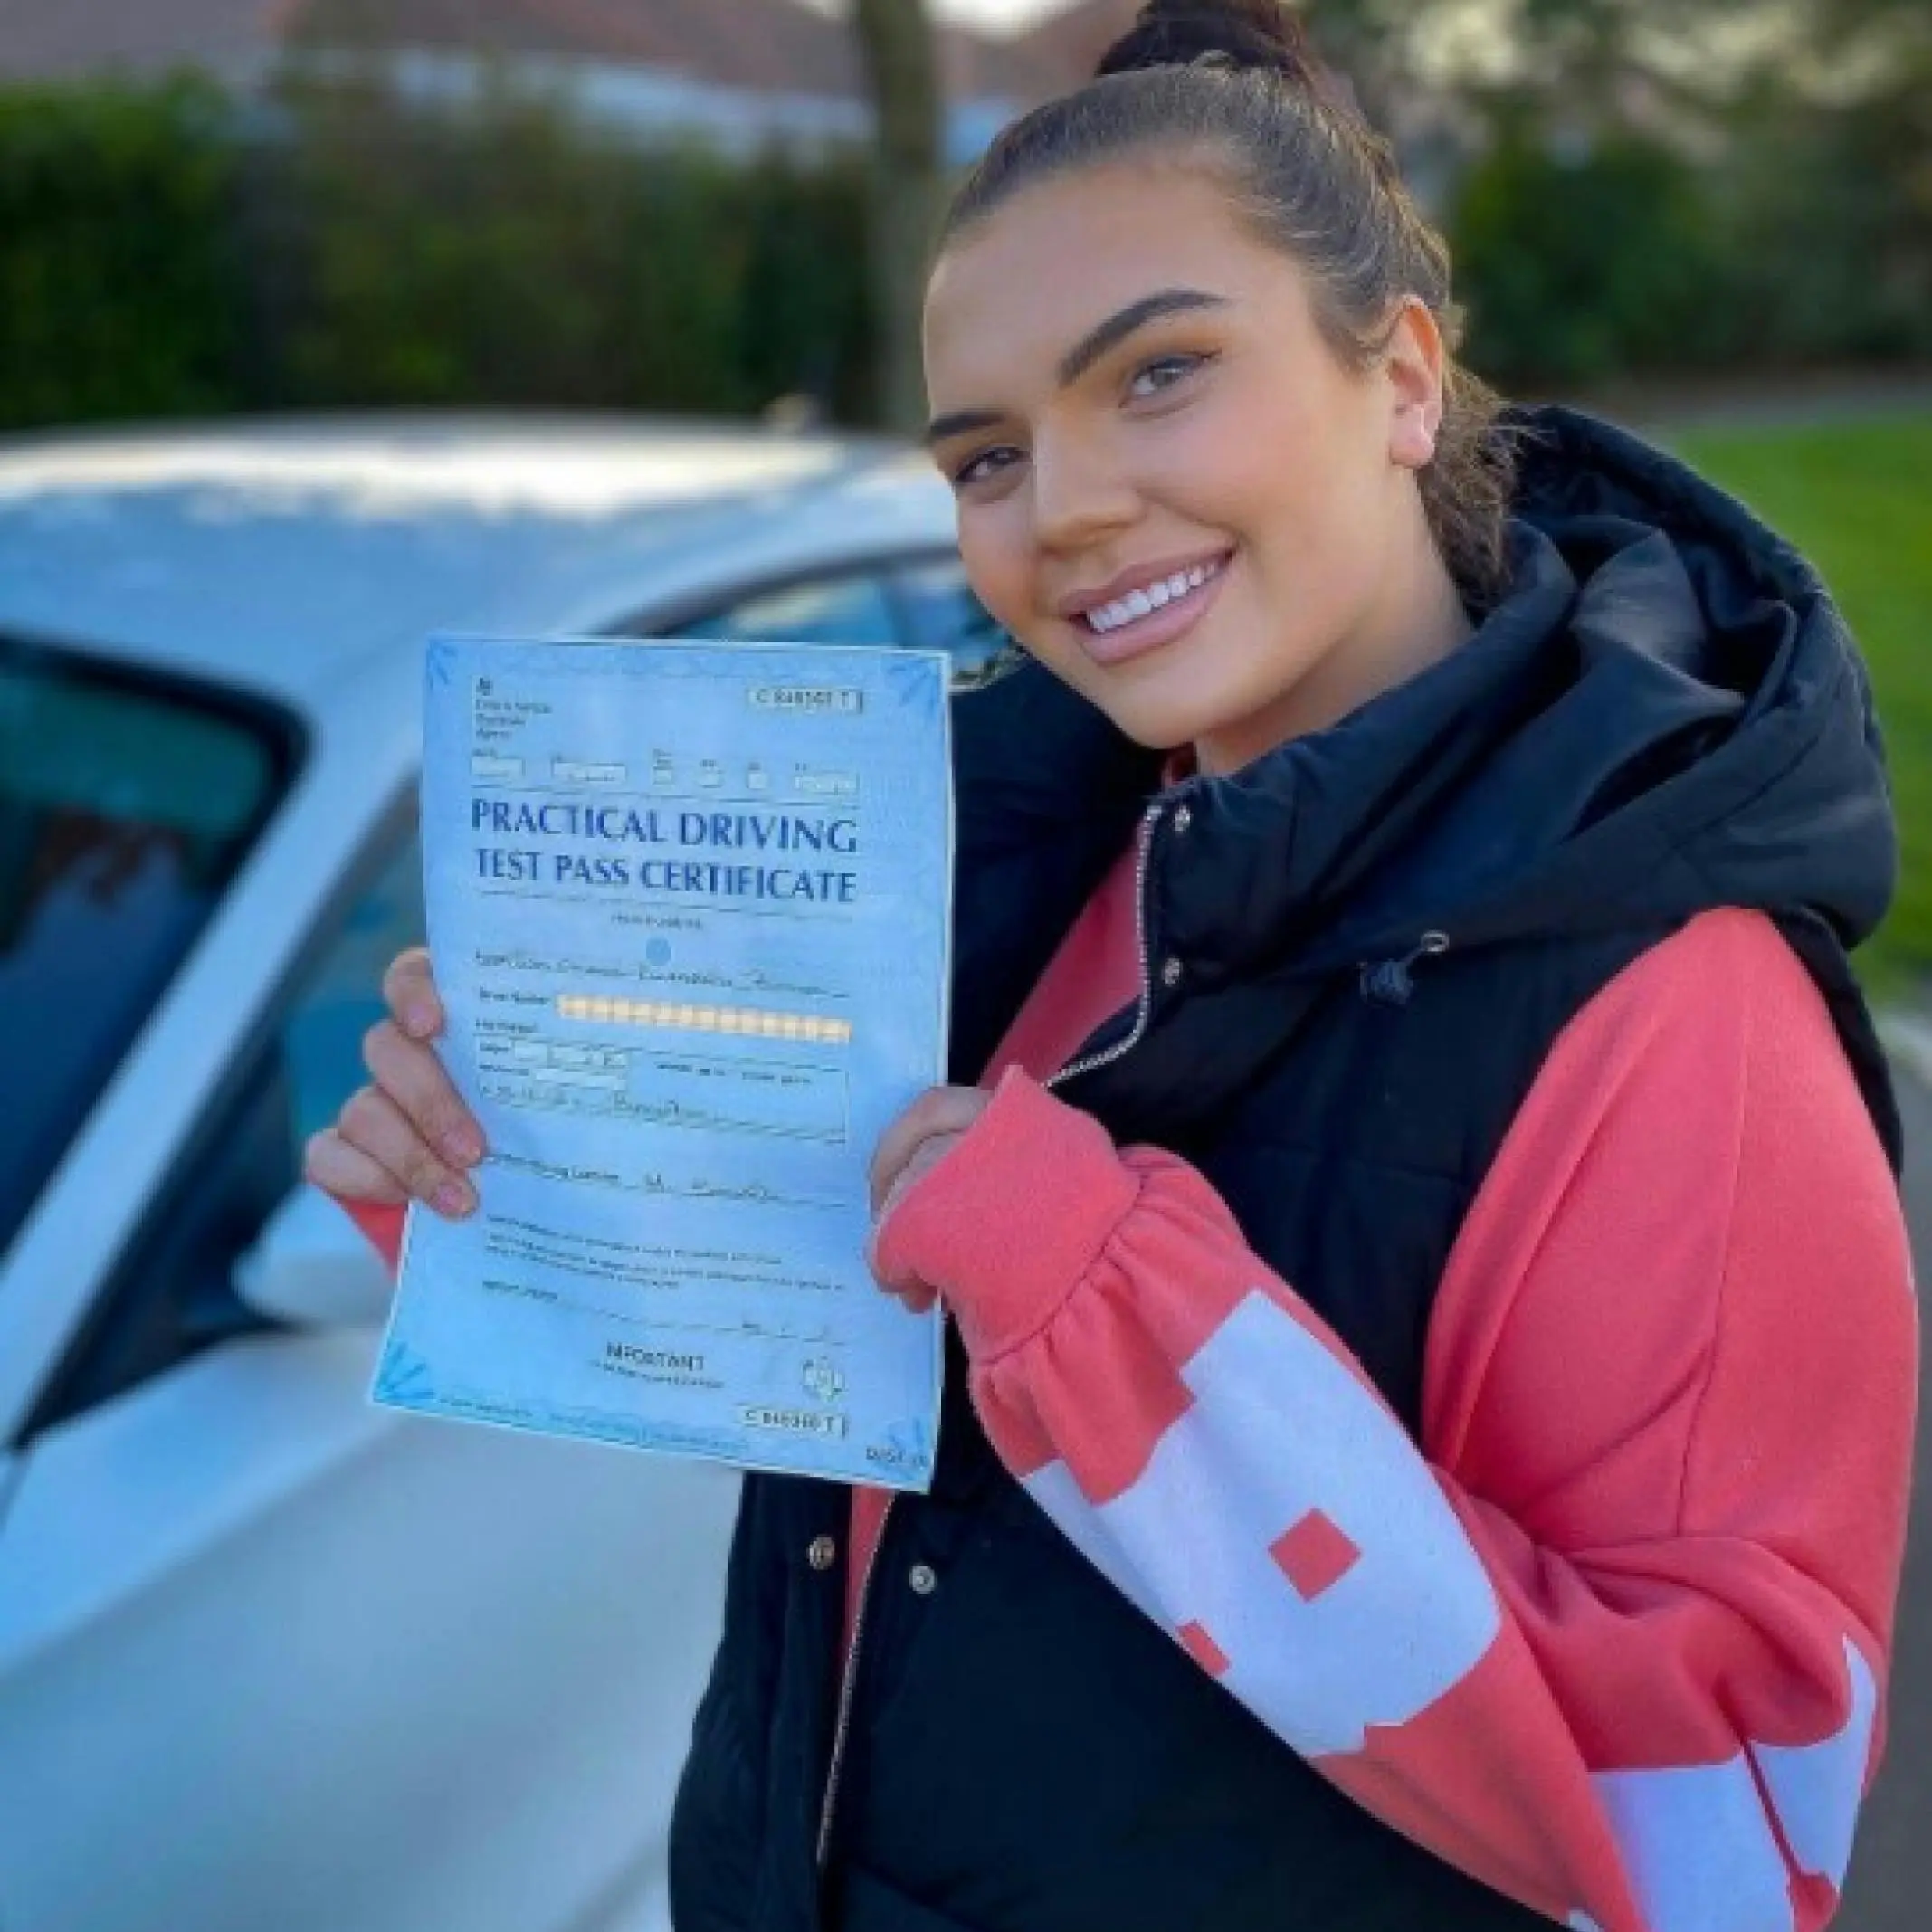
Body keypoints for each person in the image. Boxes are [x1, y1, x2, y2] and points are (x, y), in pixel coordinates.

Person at [307, 4, 1919, 1927]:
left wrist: (1111, 1310)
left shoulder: (1680, 1010)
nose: (1059, 507)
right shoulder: (1002, 870)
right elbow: (866, 1416)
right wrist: (543, 1196)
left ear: (1402, 377)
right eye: (986, 455)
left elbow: (1729, 1833)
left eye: (1158, 374)